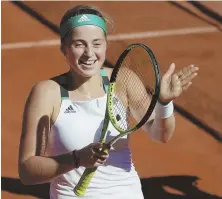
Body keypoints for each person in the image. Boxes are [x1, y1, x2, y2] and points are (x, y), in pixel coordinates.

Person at [18, 4, 199, 199]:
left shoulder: (122, 81)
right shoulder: (47, 93)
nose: (89, 53)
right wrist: (77, 159)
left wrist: (164, 103)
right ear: (64, 47)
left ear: (106, 45)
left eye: (96, 44)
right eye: (79, 44)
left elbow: (161, 134)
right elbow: (27, 171)